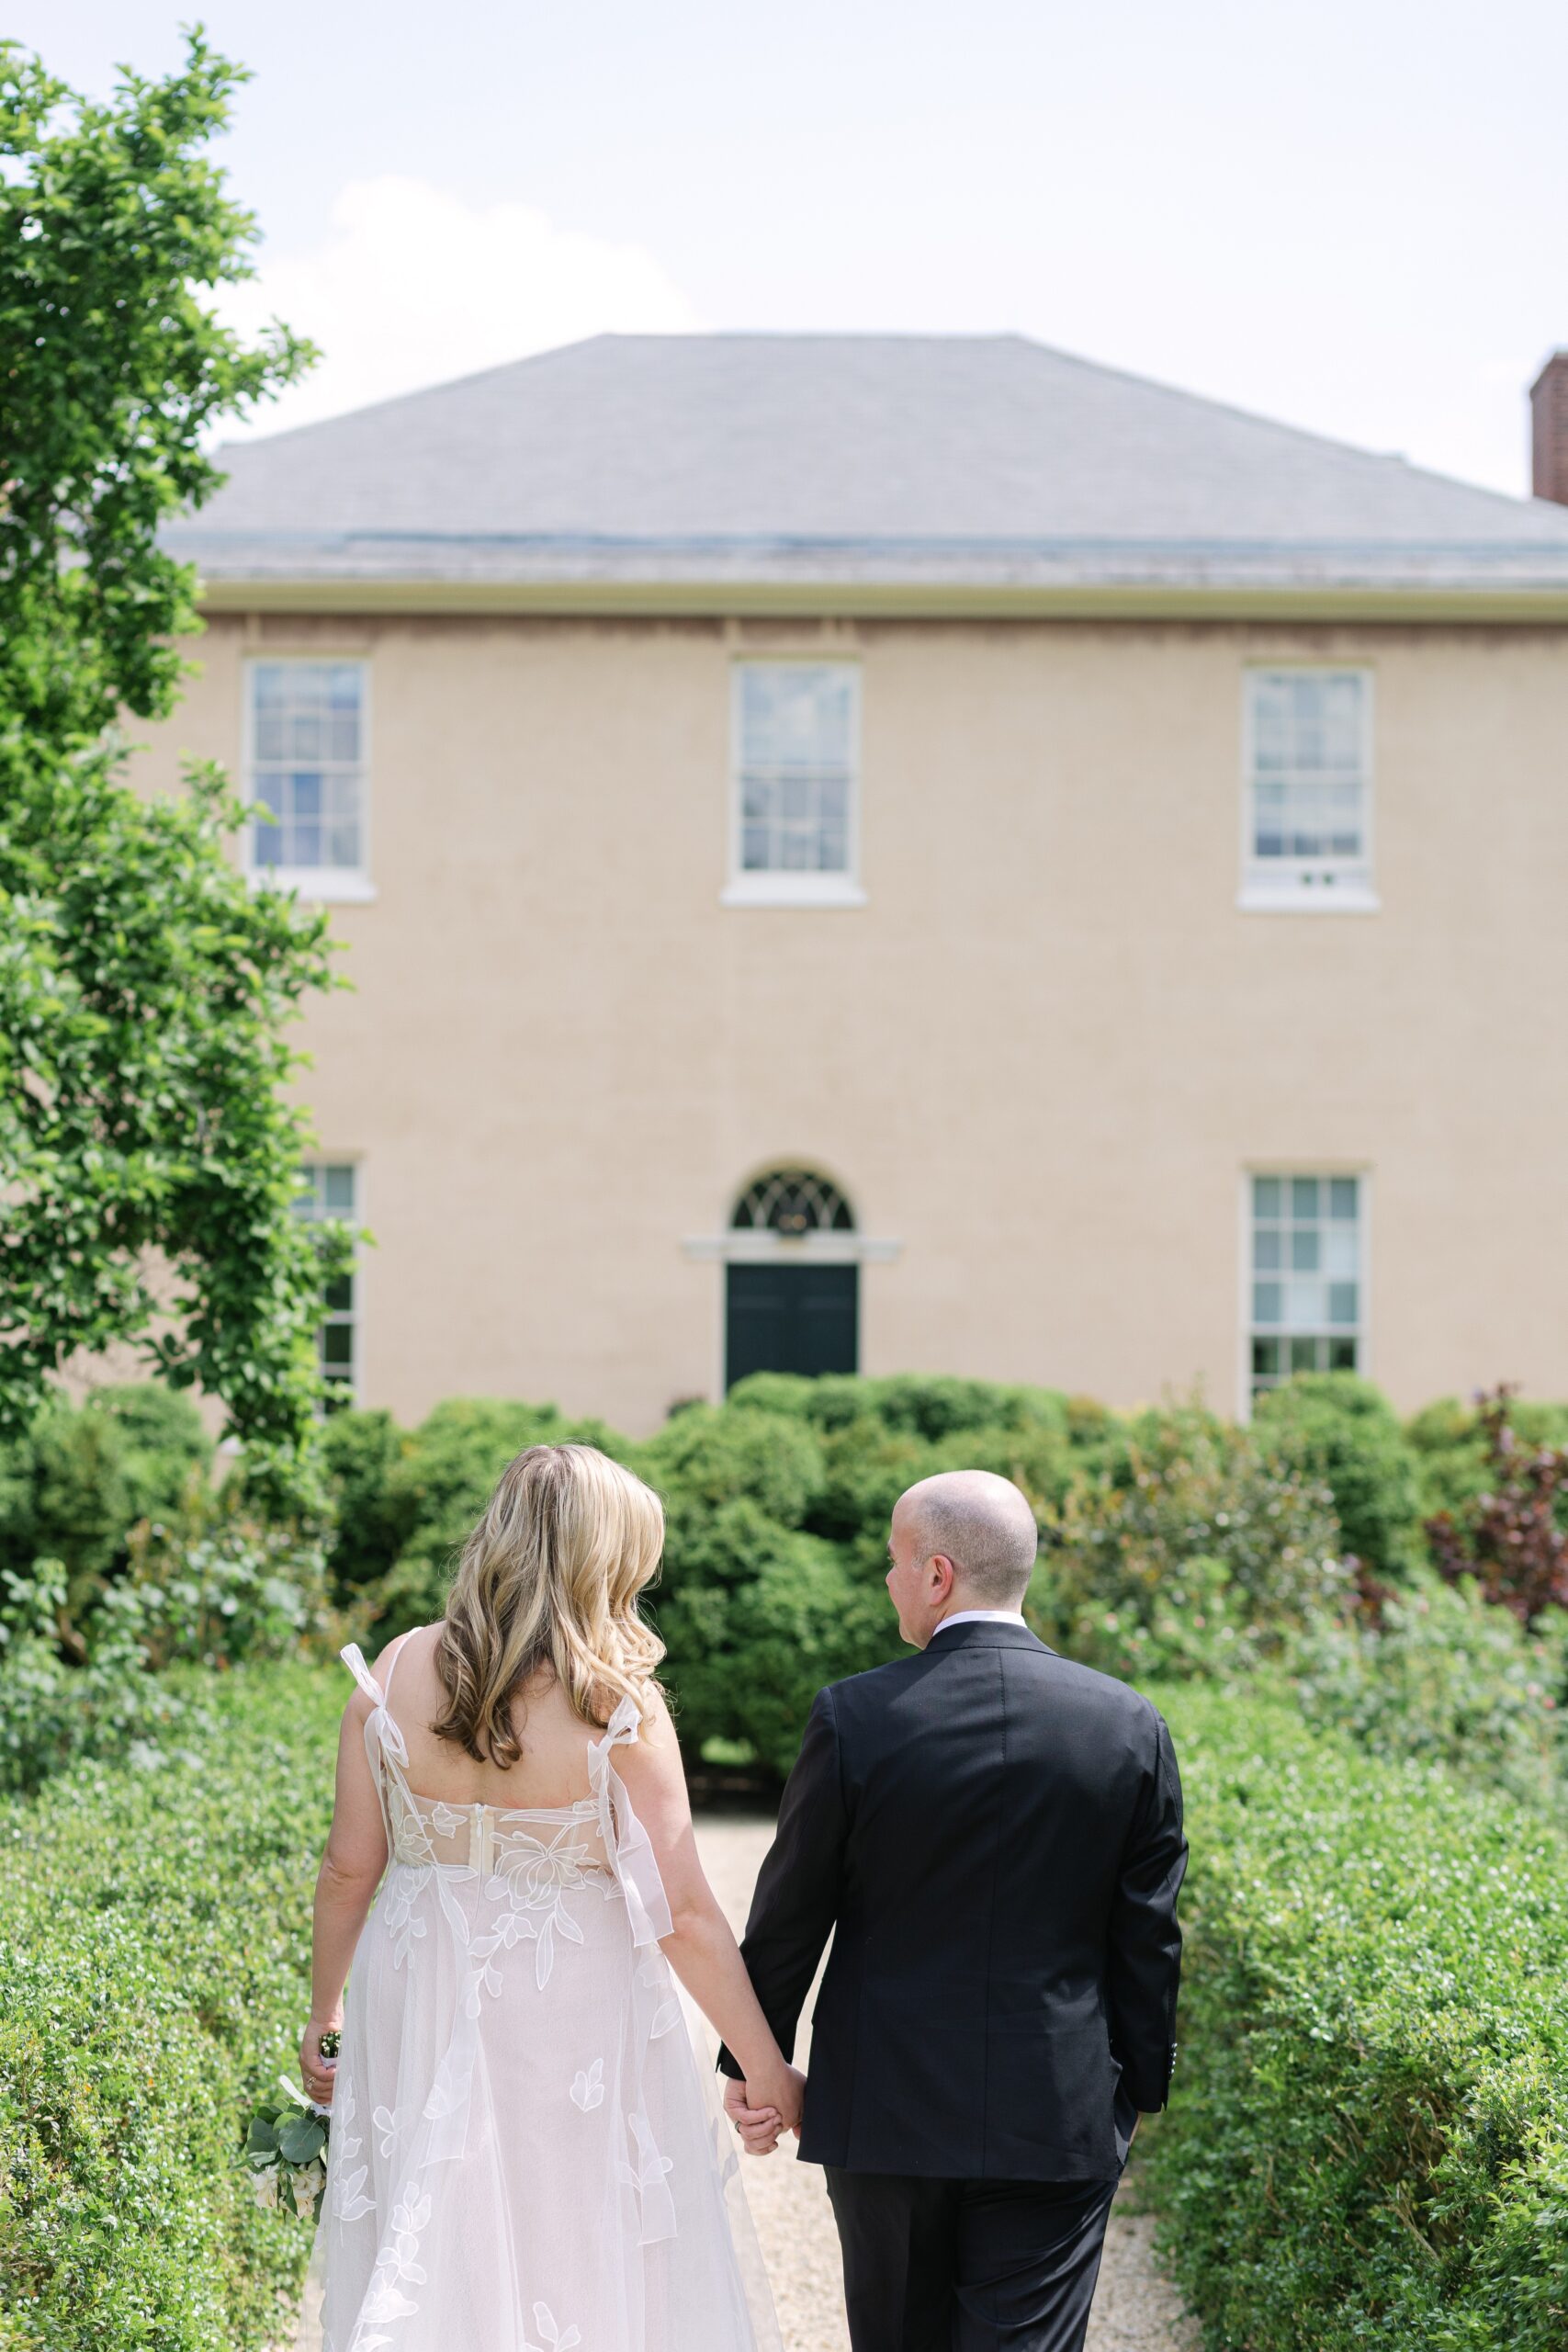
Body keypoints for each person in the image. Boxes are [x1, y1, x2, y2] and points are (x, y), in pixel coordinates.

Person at [296, 1442, 793, 2352]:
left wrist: (324, 2010)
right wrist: (766, 2067)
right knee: (567, 2234)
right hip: (568, 1994)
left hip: (420, 1977)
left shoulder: (390, 1675)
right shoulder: (618, 1706)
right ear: (608, 1556)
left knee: (438, 2217)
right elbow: (680, 1911)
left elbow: (347, 1870)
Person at [720, 1469, 1187, 2352]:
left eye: (894, 1562)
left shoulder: (852, 1718)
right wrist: (1133, 2096)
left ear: (937, 1575)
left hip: (882, 2112)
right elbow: (1147, 1935)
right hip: (1056, 2110)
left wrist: (758, 2062)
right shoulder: (1128, 1725)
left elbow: (789, 1913)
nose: (887, 1581)